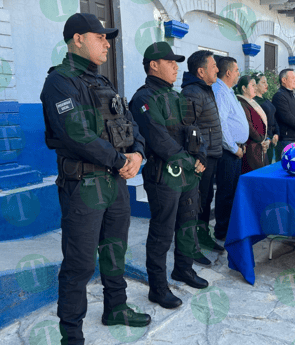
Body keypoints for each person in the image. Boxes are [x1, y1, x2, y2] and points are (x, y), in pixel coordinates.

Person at [40, 13, 150, 345]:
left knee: (115, 250)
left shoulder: (103, 82)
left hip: (115, 183)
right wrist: (121, 161)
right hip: (84, 188)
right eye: (100, 37)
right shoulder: (59, 82)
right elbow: (77, 136)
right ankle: (71, 335)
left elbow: (131, 124)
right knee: (80, 263)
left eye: (108, 38)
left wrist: (139, 154)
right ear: (77, 39)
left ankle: (116, 308)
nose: (106, 43)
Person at [130, 42, 209, 310]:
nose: (176, 67)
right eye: (170, 62)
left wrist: (200, 157)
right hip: (164, 176)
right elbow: (158, 139)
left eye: (177, 62)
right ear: (154, 65)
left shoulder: (177, 97)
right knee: (162, 231)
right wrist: (190, 162)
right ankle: (158, 287)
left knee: (188, 224)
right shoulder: (143, 99)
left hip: (187, 173)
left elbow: (193, 130)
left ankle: (183, 269)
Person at [181, 50, 224, 266]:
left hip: (212, 155)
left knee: (206, 201)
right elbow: (189, 127)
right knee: (195, 203)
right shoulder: (192, 93)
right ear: (200, 71)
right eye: (214, 65)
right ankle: (190, 246)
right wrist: (199, 156)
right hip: (201, 159)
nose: (217, 69)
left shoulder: (205, 90)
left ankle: (203, 235)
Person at [212, 57, 249, 241]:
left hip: (235, 150)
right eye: (236, 70)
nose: (238, 74)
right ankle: (222, 232)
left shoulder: (228, 91)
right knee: (226, 192)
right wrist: (234, 148)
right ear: (228, 72)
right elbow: (221, 123)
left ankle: (228, 229)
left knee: (233, 191)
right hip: (228, 151)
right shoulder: (219, 91)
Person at [272, 69, 295, 161]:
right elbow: (286, 116)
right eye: (293, 78)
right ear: (284, 80)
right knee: (284, 169)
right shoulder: (279, 96)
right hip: (286, 139)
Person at [234, 75, 269, 173]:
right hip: (251, 148)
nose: (256, 87)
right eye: (253, 85)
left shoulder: (252, 102)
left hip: (259, 145)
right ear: (244, 88)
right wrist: (260, 138)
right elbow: (249, 126)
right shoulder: (242, 103)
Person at [253, 73, 279, 164]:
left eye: (266, 82)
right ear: (255, 85)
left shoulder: (266, 99)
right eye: (263, 82)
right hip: (264, 139)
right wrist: (267, 137)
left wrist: (276, 133)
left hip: (272, 137)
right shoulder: (254, 102)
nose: (266, 85)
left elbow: (273, 117)